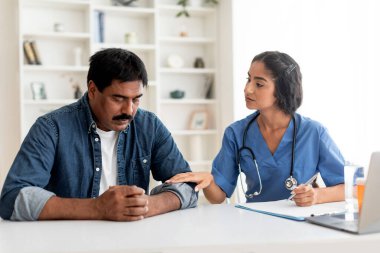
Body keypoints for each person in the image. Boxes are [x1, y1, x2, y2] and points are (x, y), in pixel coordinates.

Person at [0, 48, 197, 221]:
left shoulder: (149, 126)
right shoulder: (51, 128)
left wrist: (147, 205)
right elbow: (12, 198)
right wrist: (98, 208)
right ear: (93, 90)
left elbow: (189, 186)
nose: (129, 110)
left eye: (136, 99)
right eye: (118, 98)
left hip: (132, 241)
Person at [167, 51, 345, 206]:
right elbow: (218, 197)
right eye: (248, 79)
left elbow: (350, 187)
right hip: (255, 222)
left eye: (259, 84)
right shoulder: (236, 133)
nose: (247, 89)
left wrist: (317, 196)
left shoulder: (313, 132)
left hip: (301, 223)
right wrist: (209, 181)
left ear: (283, 89)